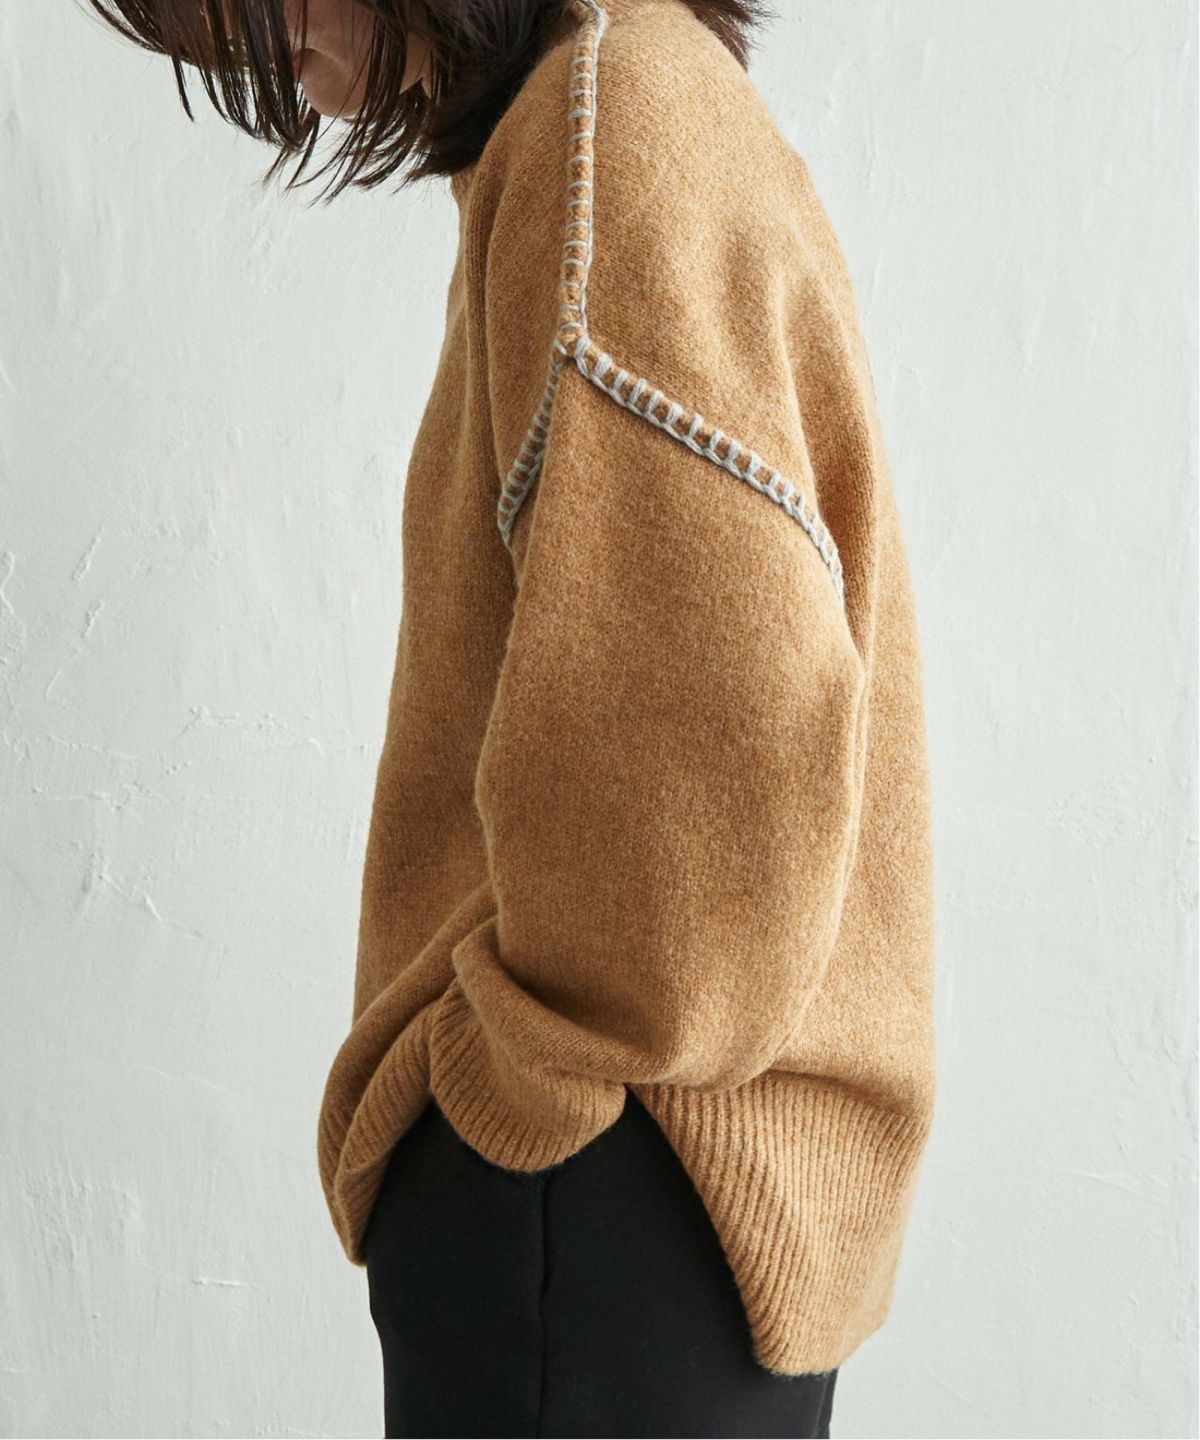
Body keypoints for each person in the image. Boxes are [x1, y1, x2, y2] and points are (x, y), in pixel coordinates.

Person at [84, 1, 937, 1435]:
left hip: (607, 1195)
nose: (271, 63)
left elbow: (719, 730)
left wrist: (508, 1093)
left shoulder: (606, 122)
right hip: (671, 1201)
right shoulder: (632, 106)